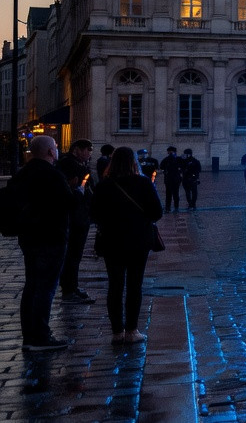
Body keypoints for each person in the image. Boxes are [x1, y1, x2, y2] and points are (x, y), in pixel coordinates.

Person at [90, 146, 162, 344]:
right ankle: (131, 330)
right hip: (138, 240)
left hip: (112, 240)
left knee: (115, 285)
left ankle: (116, 332)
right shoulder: (143, 182)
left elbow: (93, 213)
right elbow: (157, 211)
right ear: (134, 162)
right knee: (134, 285)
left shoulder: (104, 185)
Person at [15, 135, 78, 351]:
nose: (57, 151)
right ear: (51, 152)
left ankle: (29, 336)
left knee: (31, 285)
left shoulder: (23, 173)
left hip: (28, 237)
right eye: (56, 148)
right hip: (50, 237)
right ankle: (40, 336)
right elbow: (68, 203)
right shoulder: (52, 174)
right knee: (45, 287)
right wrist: (78, 192)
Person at [57, 139, 96, 304]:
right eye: (87, 150)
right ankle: (68, 289)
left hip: (81, 215)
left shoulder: (78, 165)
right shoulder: (68, 164)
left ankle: (72, 287)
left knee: (76, 255)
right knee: (72, 254)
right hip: (74, 217)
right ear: (76, 150)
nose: (89, 153)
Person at [159, 146, 183, 212]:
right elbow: (161, 167)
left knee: (173, 194)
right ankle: (170, 207)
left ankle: (173, 207)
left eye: (170, 152)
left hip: (173, 179)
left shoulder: (177, 159)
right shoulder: (167, 160)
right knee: (170, 194)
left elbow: (182, 167)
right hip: (170, 179)